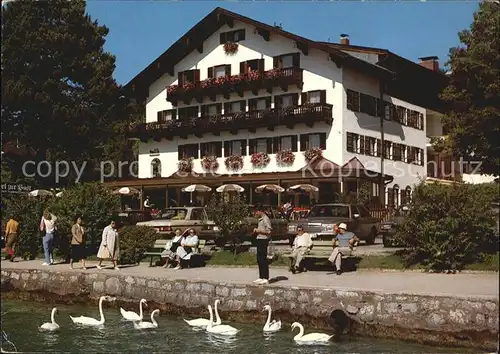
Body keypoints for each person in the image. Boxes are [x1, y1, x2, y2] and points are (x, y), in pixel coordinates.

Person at [253, 205, 272, 285]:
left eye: (257, 211)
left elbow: (269, 231)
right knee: (259, 259)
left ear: (260, 211)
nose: (256, 213)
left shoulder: (265, 219)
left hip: (263, 240)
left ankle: (265, 277)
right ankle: (261, 276)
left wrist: (259, 231)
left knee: (263, 259)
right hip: (259, 239)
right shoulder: (260, 219)